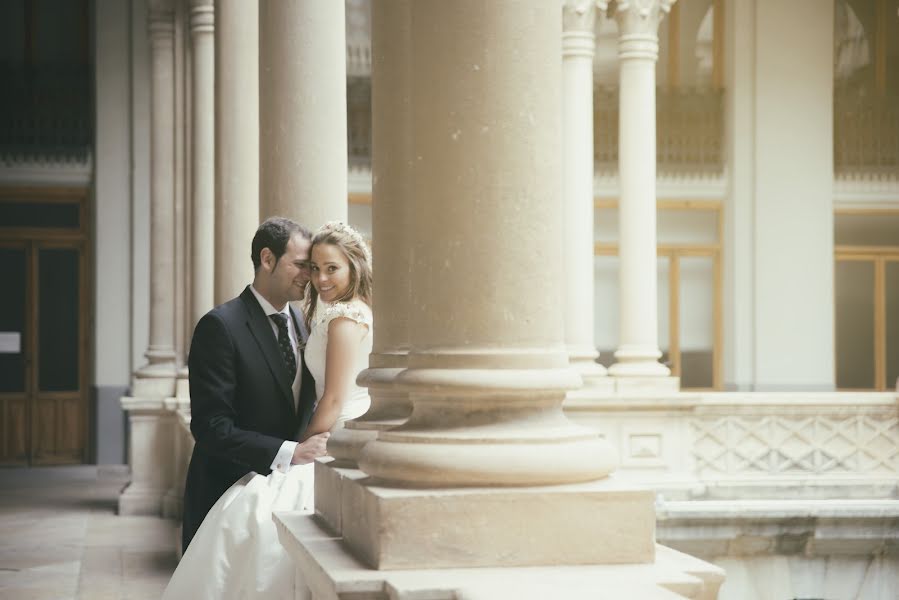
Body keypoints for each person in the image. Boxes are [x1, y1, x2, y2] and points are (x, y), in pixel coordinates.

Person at [163, 220, 373, 599]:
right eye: (302, 264)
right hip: (228, 487)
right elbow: (211, 427)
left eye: (322, 267)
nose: (311, 276)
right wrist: (292, 452)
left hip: (291, 483)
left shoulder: (307, 323)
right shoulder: (220, 326)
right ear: (267, 259)